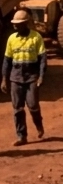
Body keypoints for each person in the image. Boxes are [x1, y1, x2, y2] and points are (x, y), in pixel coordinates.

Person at [1, 9, 46, 146]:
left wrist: (41, 76)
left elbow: (42, 59)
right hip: (16, 78)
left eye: (19, 24)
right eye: (15, 24)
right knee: (18, 109)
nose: (15, 26)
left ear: (26, 23)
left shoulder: (36, 37)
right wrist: (4, 79)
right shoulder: (11, 39)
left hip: (31, 77)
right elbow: (7, 61)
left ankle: (38, 125)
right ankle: (22, 136)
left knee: (33, 106)